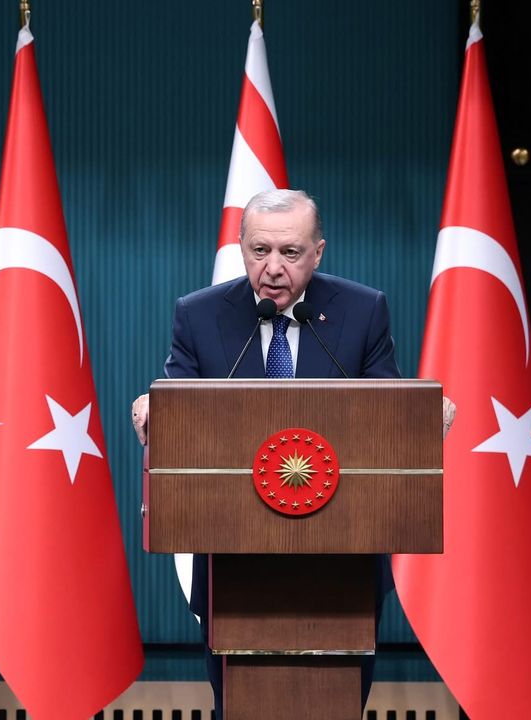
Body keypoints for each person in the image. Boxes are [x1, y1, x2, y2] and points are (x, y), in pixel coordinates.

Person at [131, 188, 400, 715]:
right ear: (241, 248)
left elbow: (386, 418)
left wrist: (422, 414)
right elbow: (178, 410)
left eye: (290, 252)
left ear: (317, 253)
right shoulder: (200, 315)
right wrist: (155, 409)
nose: (273, 268)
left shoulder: (363, 310)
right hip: (234, 567)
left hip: (342, 566)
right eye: (259, 251)